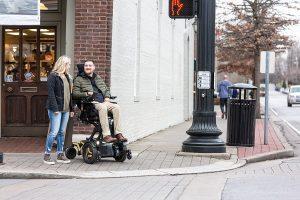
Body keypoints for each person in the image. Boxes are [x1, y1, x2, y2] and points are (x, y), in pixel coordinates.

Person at [73, 60, 127, 143]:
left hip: (103, 102)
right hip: (91, 103)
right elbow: (75, 94)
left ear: (94, 67)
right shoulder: (79, 79)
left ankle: (118, 133)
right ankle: (106, 135)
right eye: (86, 65)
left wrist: (107, 97)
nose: (88, 67)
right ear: (83, 68)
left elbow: (106, 89)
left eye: (90, 65)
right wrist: (86, 93)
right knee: (102, 107)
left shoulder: (97, 77)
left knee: (116, 107)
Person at [43, 56, 74, 165]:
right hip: (55, 109)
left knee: (61, 132)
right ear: (62, 64)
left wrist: (71, 108)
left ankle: (60, 154)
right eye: (67, 64)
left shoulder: (68, 77)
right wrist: (55, 109)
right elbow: (51, 94)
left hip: (65, 109)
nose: (69, 66)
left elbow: (70, 94)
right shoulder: (53, 76)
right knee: (54, 132)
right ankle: (47, 155)